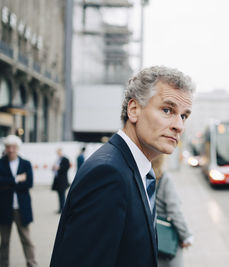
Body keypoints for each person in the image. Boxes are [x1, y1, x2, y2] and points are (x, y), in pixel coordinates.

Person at [50, 66, 195, 267]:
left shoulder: (134, 169)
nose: (179, 125)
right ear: (134, 110)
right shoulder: (109, 174)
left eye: (184, 116)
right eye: (167, 110)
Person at [0, 135, 38, 267]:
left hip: (21, 208)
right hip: (4, 207)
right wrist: (16, 179)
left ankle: (31, 263)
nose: (11, 149)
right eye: (8, 147)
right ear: (5, 148)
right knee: (4, 241)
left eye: (13, 147)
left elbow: (29, 183)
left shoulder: (25, 164)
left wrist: (7, 183)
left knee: (26, 239)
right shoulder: (1, 163)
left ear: (17, 148)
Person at [153, 155, 193, 267]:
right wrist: (186, 236)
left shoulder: (141, 176)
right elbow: (174, 211)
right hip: (165, 233)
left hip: (148, 229)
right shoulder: (164, 178)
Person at [51, 148, 70, 214]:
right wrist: (54, 168)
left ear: (61, 152)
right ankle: (60, 209)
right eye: (57, 153)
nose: (58, 154)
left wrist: (59, 168)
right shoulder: (57, 160)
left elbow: (66, 167)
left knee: (62, 196)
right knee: (59, 196)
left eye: (59, 152)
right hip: (57, 181)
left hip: (62, 181)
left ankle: (63, 209)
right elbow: (54, 168)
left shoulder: (65, 159)